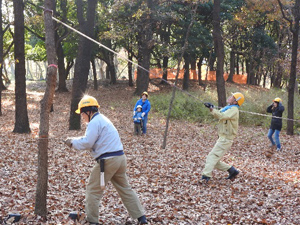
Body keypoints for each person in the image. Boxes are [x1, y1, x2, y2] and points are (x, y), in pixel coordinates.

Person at [65, 95, 148, 225]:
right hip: (120, 159)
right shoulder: (102, 119)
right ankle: (141, 217)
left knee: (93, 190)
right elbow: (91, 138)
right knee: (125, 189)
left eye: (82, 113)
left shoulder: (94, 122)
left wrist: (72, 143)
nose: (82, 116)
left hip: (108, 161)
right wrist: (74, 140)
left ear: (88, 110)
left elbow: (88, 142)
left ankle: (92, 221)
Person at [201, 92, 244, 183]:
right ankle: (232, 171)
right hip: (223, 137)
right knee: (214, 160)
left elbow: (222, 116)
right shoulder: (228, 108)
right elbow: (219, 114)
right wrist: (212, 108)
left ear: (236, 101)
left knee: (211, 157)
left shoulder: (233, 110)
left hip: (226, 139)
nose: (230, 97)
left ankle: (205, 177)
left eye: (233, 97)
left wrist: (212, 109)